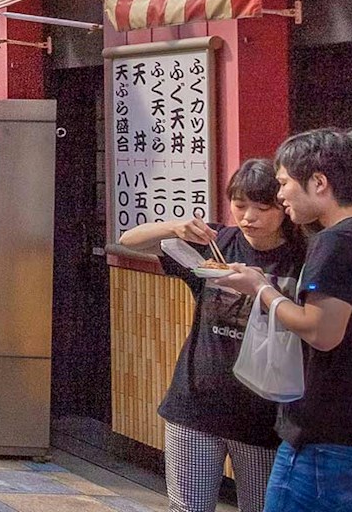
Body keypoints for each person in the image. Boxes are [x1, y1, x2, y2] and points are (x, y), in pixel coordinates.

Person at [210, 129, 352, 512]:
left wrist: (261, 289)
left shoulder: (337, 241)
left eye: (285, 183)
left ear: (319, 182)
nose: (281, 194)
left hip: (327, 442)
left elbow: (322, 332)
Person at [118, 159, 306, 512]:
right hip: (195, 403)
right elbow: (130, 240)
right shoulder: (218, 242)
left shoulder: (302, 258)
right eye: (239, 206)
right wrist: (176, 227)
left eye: (262, 208)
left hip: (265, 414)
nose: (248, 216)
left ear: (283, 208)